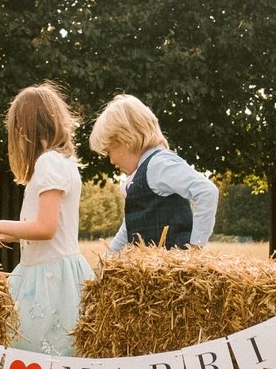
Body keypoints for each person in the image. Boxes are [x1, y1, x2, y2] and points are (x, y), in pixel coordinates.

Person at [0, 84, 91, 355]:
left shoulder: (49, 163)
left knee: (36, 351)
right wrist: (9, 235)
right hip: (55, 271)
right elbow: (51, 227)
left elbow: (46, 228)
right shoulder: (63, 161)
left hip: (50, 280)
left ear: (25, 129)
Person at [86, 93, 218, 252]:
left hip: (173, 271)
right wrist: (107, 260)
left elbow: (207, 192)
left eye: (109, 151)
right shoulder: (140, 176)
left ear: (126, 140)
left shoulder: (159, 165)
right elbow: (130, 227)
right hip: (152, 272)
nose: (111, 161)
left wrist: (195, 248)